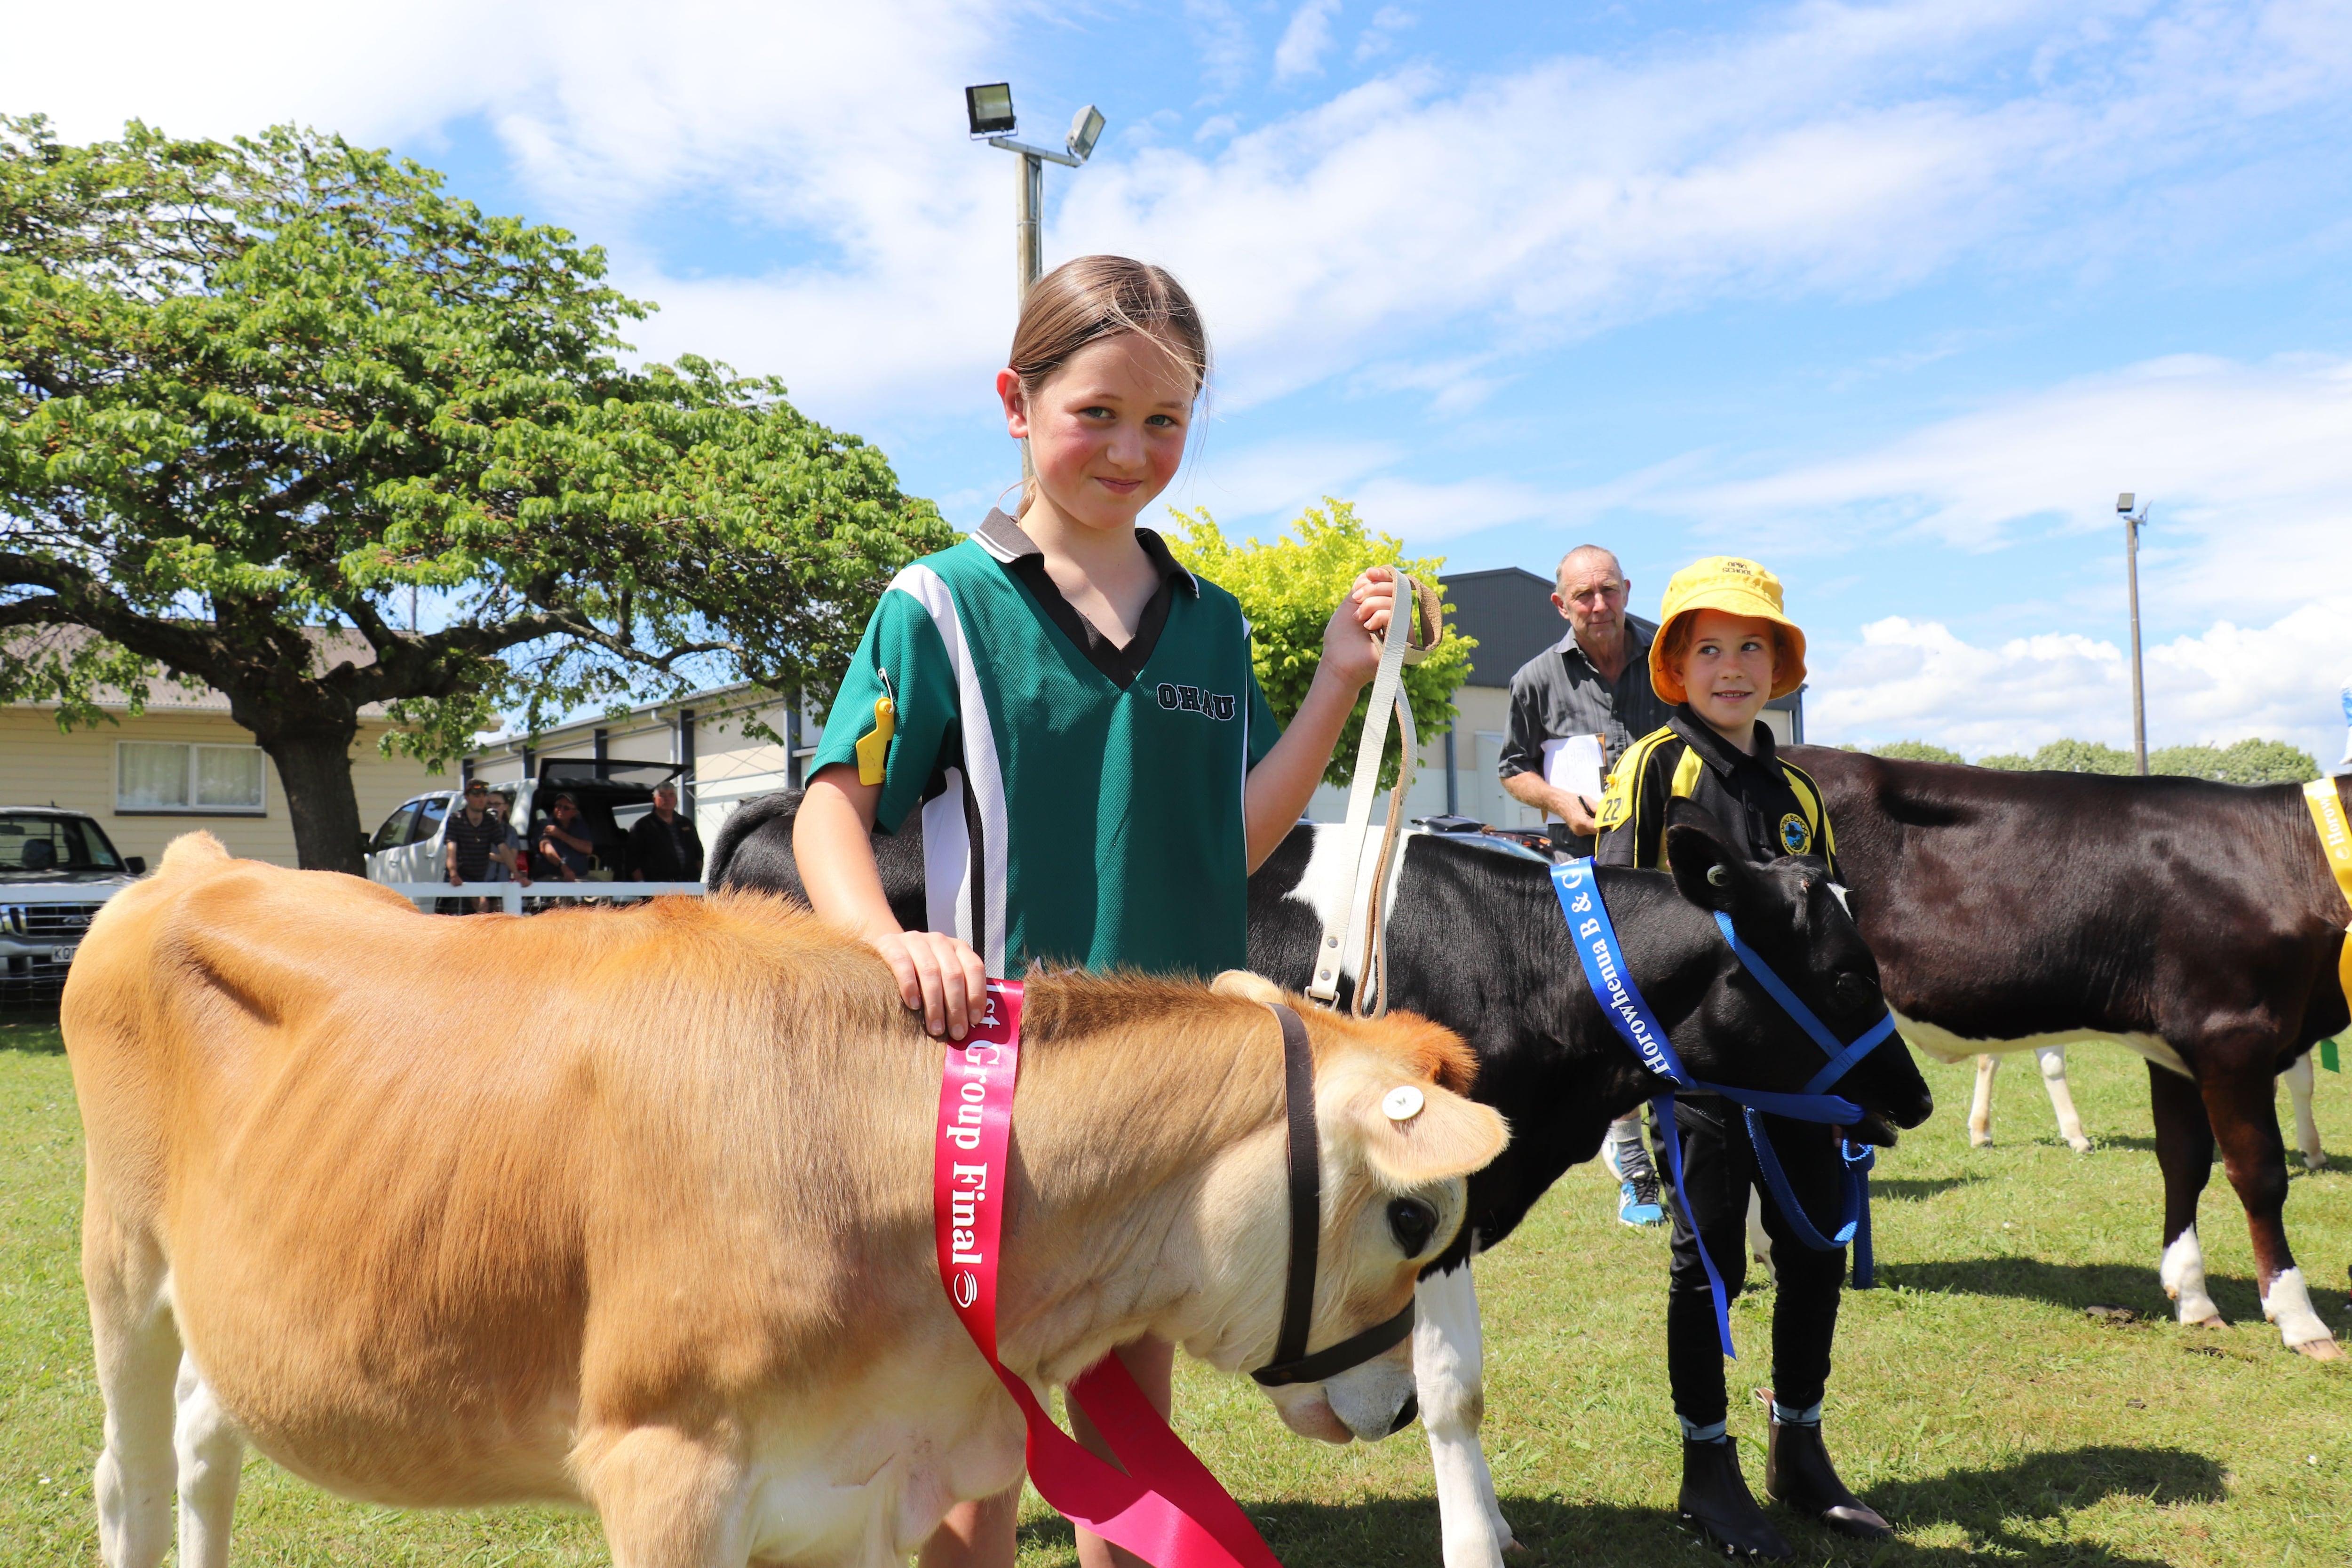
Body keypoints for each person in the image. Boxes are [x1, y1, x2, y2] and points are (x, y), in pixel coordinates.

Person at [793, 255, 1398, 1568]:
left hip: (1172, 1097)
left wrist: (1339, 684)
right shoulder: (941, 603)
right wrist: (883, 939)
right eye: (1097, 412)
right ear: (1016, 401)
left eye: (1166, 420)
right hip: (998, 1103)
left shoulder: (1215, 624)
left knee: (1131, 1438)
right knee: (980, 1449)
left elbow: (1227, 838)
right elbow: (831, 805)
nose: (1132, 450)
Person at [1595, 556, 1888, 1559]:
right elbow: (1609, 924)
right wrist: (1648, 1077)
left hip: (1799, 1082)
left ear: (1780, 662)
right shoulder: (1651, 768)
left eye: (1751, 646)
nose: (1731, 667)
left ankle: (1797, 1447)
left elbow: (1828, 935)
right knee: (1707, 1261)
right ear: (1674, 663)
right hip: (1698, 1078)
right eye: (1707, 648)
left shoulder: (1799, 786)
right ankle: (1705, 1467)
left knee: (1814, 1251)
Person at [1498, 544, 1674, 1228]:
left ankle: (1687, 1147)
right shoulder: (1535, 680)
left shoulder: (1673, 660)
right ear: (1559, 603)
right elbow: (1514, 767)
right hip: (1586, 873)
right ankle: (1633, 1166)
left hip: (1668, 867)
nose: (1598, 606)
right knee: (1612, 1018)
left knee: (1681, 1013)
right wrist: (1559, 801)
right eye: (1583, 596)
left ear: (1628, 589)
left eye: (1608, 591)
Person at [442, 780, 517, 912]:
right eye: (477, 796)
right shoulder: (456, 819)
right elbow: (451, 849)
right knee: (463, 917)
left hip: (480, 879)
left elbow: (503, 848)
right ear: (467, 797)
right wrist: (454, 873)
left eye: (484, 795)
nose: (482, 799)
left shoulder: (490, 821)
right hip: (458, 880)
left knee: (486, 912)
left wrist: (516, 874)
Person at [627, 783, 704, 883]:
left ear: (676, 800)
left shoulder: (686, 823)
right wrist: (642, 886)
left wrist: (696, 877)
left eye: (671, 795)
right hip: (656, 888)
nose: (667, 799)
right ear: (655, 800)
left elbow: (699, 853)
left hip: (687, 886)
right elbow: (632, 860)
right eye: (662, 795)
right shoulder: (642, 826)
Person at [537, 794, 598, 882]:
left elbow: (588, 849)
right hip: (552, 877)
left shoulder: (580, 826)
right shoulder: (544, 824)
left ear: (575, 813)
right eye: (558, 806)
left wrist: (560, 834)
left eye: (566, 808)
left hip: (581, 878)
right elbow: (546, 849)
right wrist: (564, 868)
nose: (561, 810)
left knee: (604, 891)